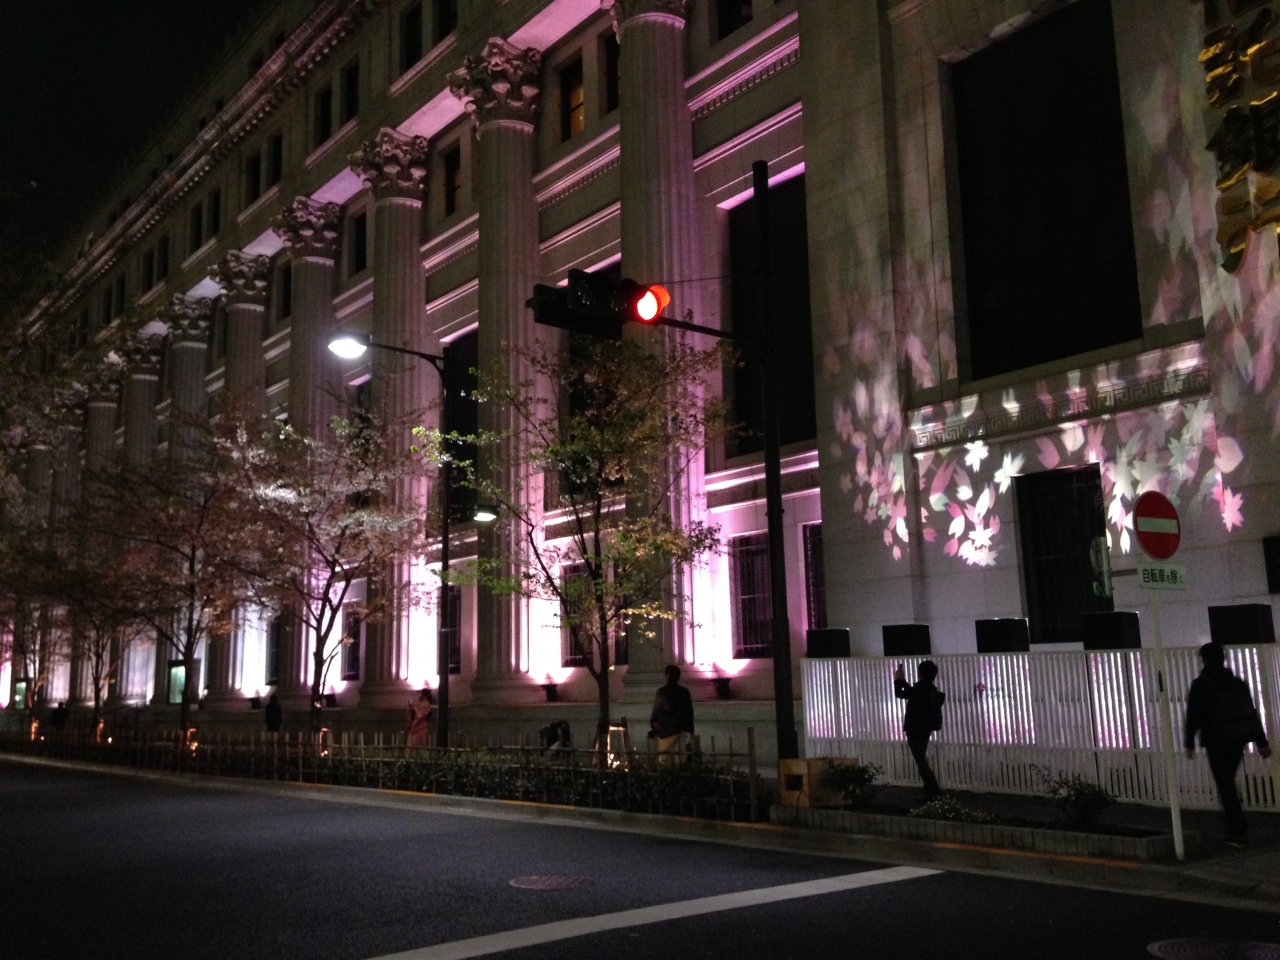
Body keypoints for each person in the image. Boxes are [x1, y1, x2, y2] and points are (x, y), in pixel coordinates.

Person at [1184, 642, 1272, 846]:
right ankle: (1233, 821)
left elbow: (1193, 715)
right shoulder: (1237, 683)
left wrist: (1189, 742)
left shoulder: (1201, 683)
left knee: (1225, 784)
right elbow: (1250, 711)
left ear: (1204, 659)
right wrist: (1261, 742)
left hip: (1216, 740)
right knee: (1228, 781)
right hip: (1237, 739)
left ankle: (1238, 830)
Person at [894, 660, 945, 800]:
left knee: (921, 762)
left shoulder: (919, 689)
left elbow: (900, 694)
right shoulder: (930, 689)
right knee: (921, 760)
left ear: (920, 673)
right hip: (925, 729)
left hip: (914, 729)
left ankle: (935, 793)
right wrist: (902, 681)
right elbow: (912, 692)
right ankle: (931, 793)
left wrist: (897, 680)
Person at [650, 665, 694, 762]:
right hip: (683, 730)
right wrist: (691, 732)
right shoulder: (685, 692)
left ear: (667, 676)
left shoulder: (661, 692)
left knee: (665, 761)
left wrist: (654, 727)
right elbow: (690, 713)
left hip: (667, 731)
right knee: (680, 760)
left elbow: (655, 713)